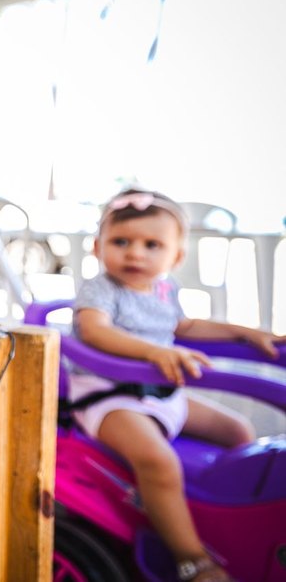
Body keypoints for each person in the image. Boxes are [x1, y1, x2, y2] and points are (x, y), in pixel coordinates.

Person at [69, 188, 284, 582]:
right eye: (121, 242)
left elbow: (185, 327)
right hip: (110, 396)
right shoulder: (100, 290)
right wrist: (153, 353)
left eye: (152, 245)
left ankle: (222, 521)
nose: (135, 253)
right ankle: (191, 559)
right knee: (158, 461)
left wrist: (247, 332)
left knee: (238, 430)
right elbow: (95, 332)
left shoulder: (166, 290)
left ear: (176, 256)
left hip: (161, 394)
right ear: (97, 248)